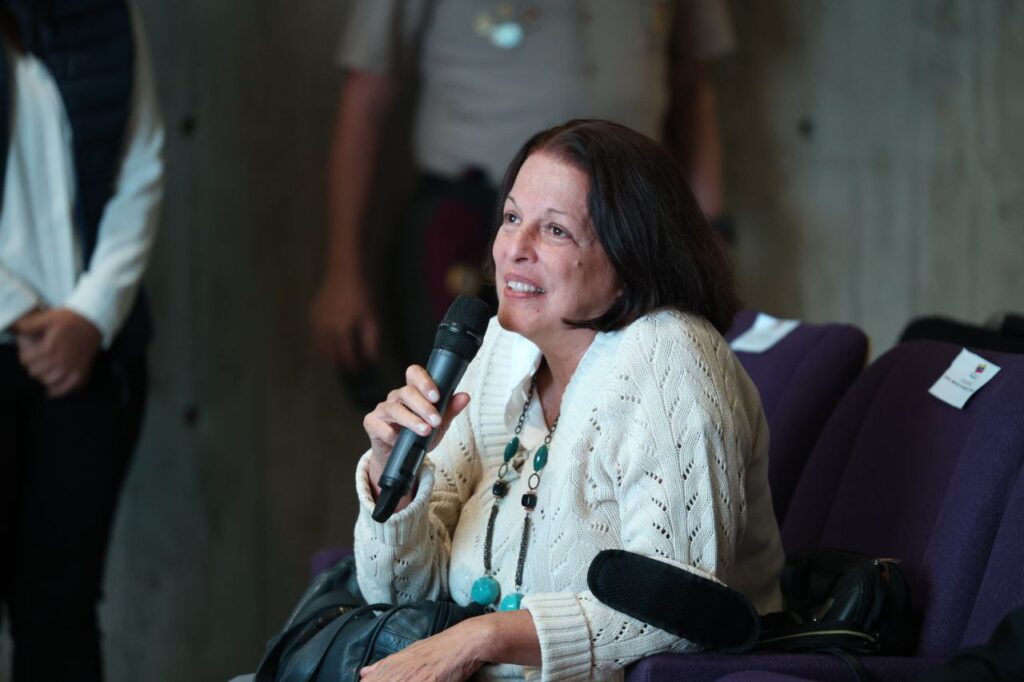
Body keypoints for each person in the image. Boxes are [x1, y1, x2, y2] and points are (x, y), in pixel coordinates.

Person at [354, 120, 782, 681]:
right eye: (512, 218)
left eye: (555, 231)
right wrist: (397, 481)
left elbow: (681, 610)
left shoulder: (669, 359)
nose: (514, 250)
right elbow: (401, 598)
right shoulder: (499, 351)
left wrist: (483, 637)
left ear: (631, 257)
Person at [309, 0, 737, 394]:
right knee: (457, 403)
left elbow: (692, 88)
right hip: (466, 223)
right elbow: (367, 92)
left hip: (626, 231)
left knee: (631, 394)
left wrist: (709, 236)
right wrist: (343, 271)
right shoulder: (509, 242)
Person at [0, 0, 164, 679]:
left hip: (91, 351)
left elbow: (141, 158)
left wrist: (90, 315)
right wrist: (16, 309)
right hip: (18, 331)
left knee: (59, 612)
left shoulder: (105, 14)